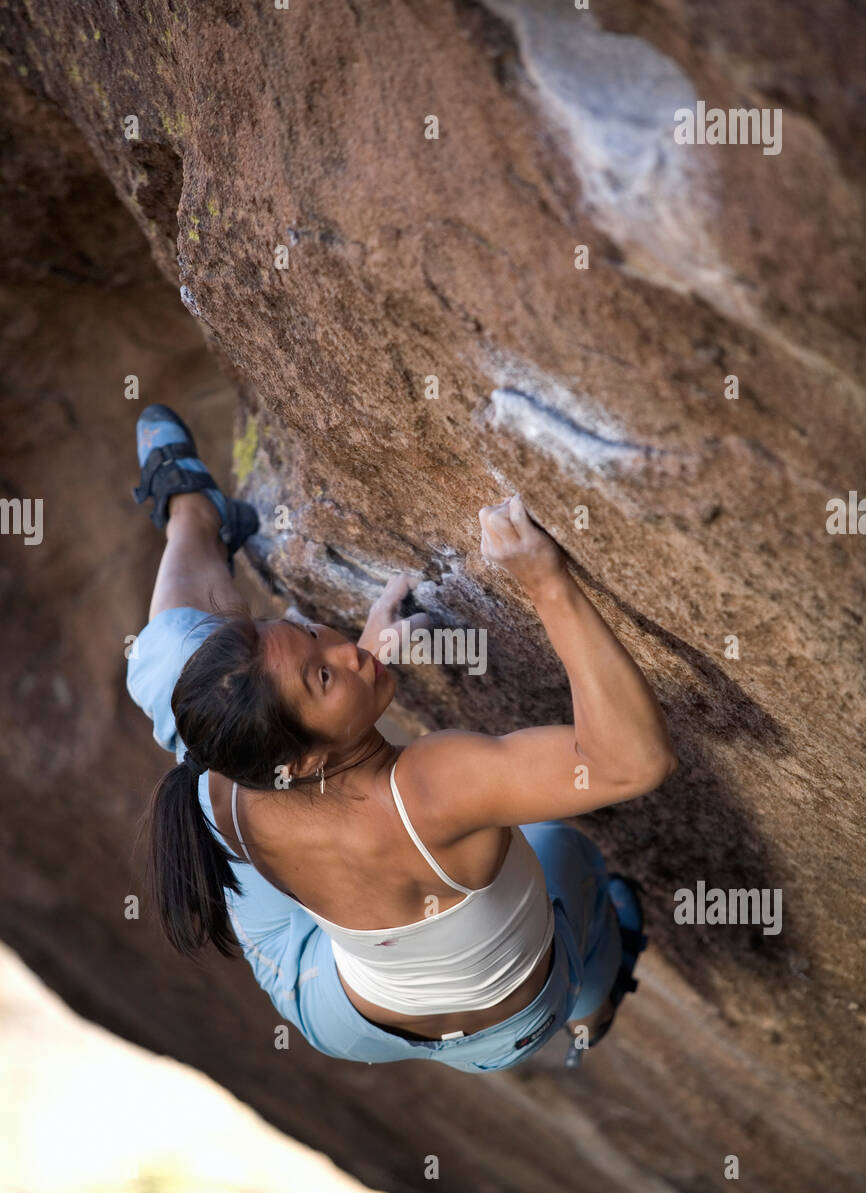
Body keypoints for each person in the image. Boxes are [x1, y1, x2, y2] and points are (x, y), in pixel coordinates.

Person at [126, 405, 677, 1073]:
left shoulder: (219, 786)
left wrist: (354, 667)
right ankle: (593, 1004)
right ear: (300, 760)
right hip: (512, 1024)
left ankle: (193, 511)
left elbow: (264, 712)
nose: (343, 646)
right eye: (323, 675)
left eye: (310, 633)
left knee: (181, 677)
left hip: (340, 1014)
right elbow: (629, 763)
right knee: (566, 851)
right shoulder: (432, 789)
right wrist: (546, 582)